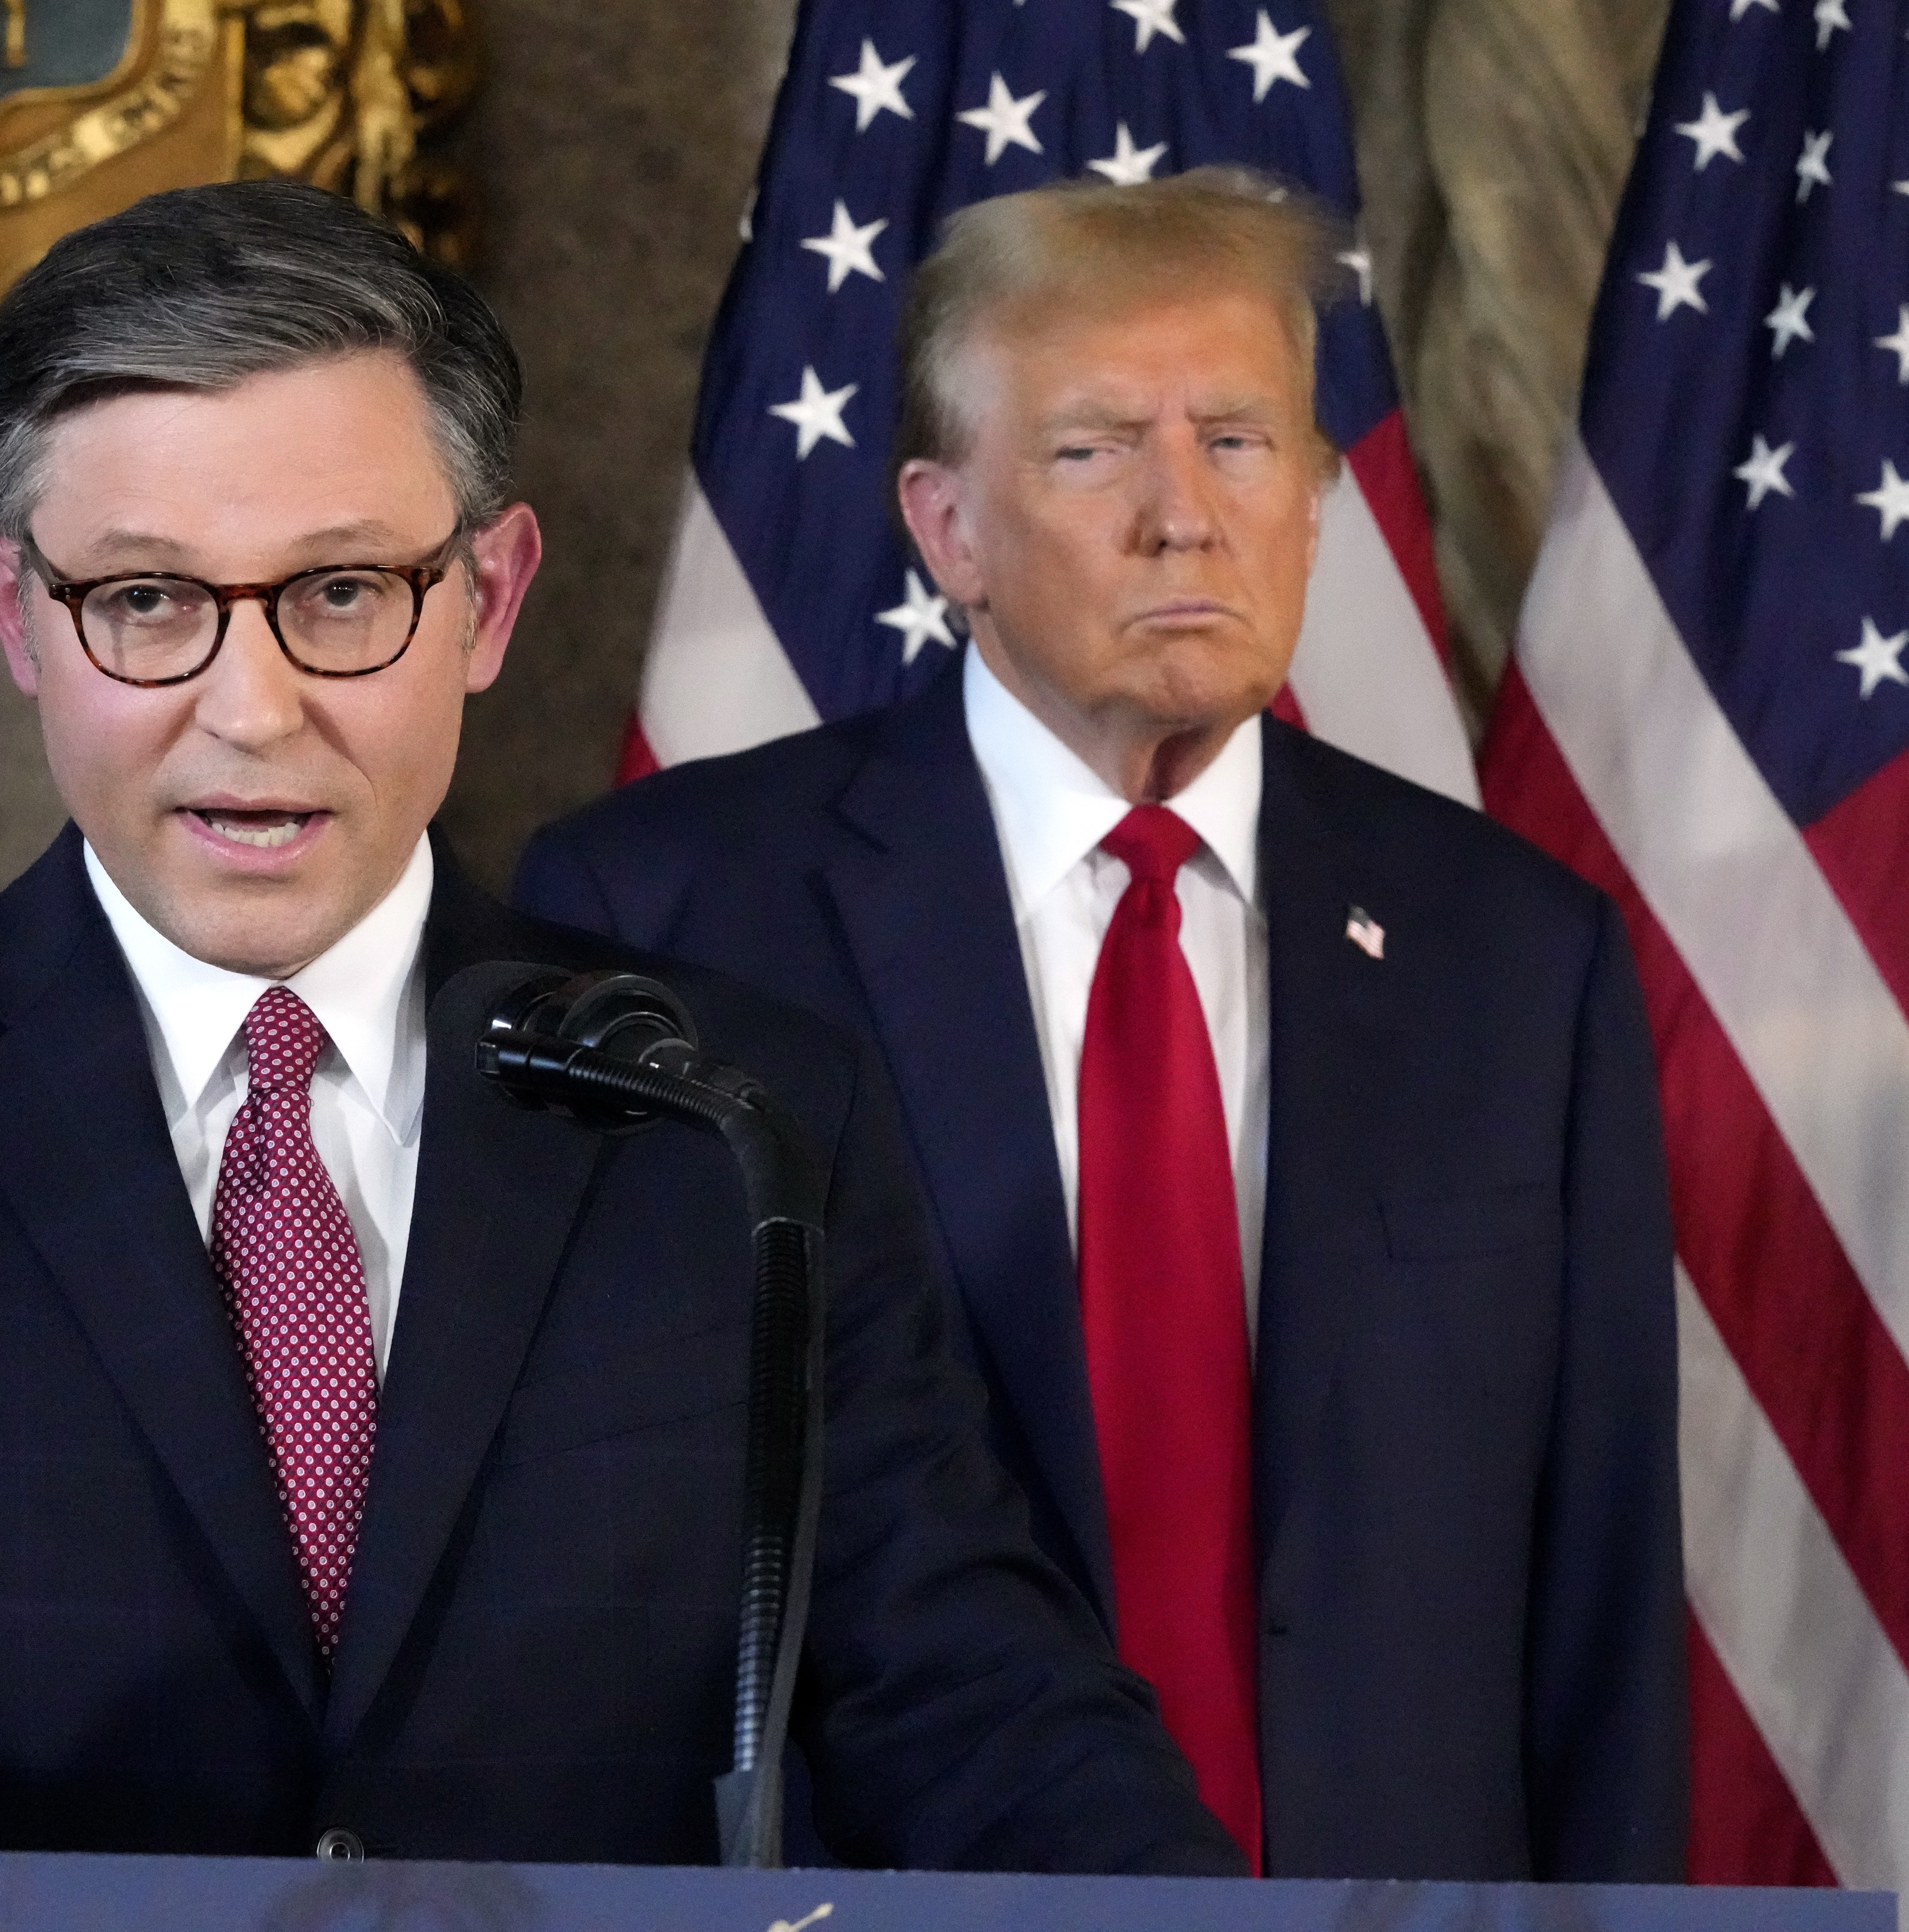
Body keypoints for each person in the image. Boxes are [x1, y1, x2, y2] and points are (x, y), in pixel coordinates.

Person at [0, 181, 1244, 1931]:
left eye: (344, 590)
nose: (252, 704)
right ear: (9, 606)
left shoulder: (741, 1122)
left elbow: (983, 1711)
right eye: (144, 600)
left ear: (490, 598)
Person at [516, 171, 1685, 1882]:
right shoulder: (672, 920)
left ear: (1310, 501)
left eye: (1237, 439)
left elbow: (1599, 1591)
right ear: (945, 527)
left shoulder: (1517, 954)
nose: (1181, 514)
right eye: (1090, 449)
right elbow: (599, 1570)